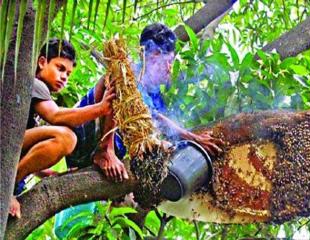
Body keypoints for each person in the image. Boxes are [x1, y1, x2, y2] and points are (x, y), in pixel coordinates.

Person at [53, 23, 223, 238]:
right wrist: (107, 150)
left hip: (112, 158)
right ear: (153, 55)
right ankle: (104, 152)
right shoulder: (127, 72)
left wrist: (191, 140)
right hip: (89, 142)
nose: (170, 68)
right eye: (168, 62)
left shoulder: (153, 94)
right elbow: (121, 98)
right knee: (118, 83)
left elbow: (159, 121)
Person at [9, 39, 116, 218]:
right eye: (60, 68)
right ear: (42, 62)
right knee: (67, 138)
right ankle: (7, 187)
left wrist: (52, 174)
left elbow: (29, 156)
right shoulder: (34, 83)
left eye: (68, 73)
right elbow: (56, 116)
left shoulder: (34, 94)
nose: (64, 77)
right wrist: (101, 108)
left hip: (10, 150)